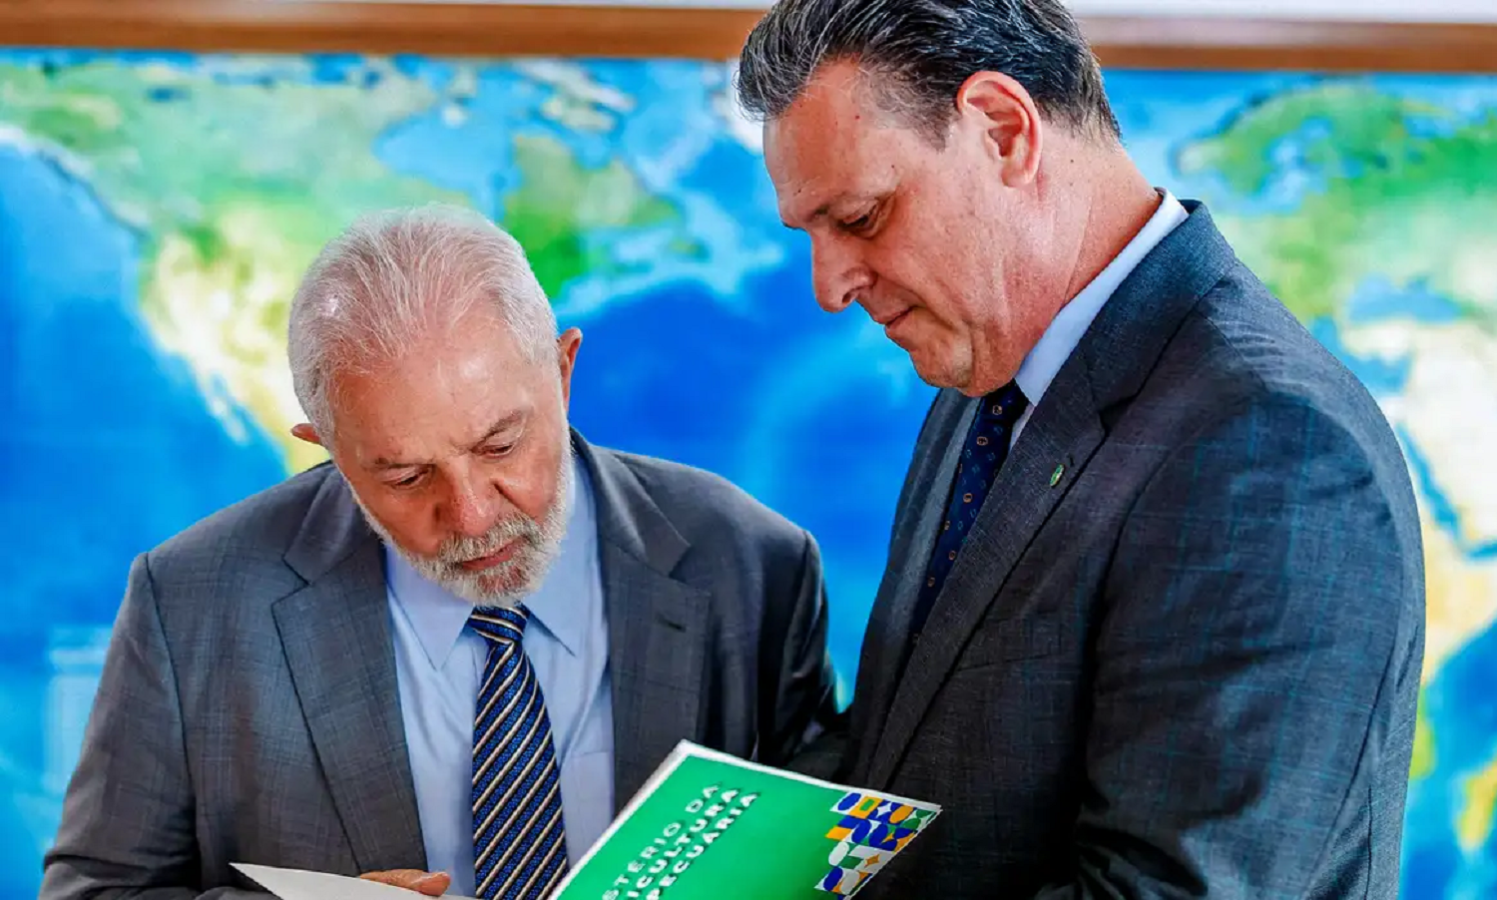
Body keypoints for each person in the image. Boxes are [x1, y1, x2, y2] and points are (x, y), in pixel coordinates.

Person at [736, 1, 1426, 897]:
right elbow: (908, 751)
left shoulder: (1270, 443)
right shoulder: (984, 384)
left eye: (862, 218)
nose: (830, 286)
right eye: (811, 235)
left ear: (1001, 129)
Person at [40, 205, 839, 900]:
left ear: (563, 373)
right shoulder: (189, 601)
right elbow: (96, 890)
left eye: (500, 445)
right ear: (327, 448)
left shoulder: (753, 563)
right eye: (404, 475)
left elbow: (822, 859)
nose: (470, 515)